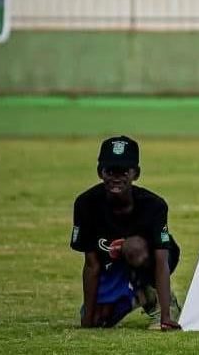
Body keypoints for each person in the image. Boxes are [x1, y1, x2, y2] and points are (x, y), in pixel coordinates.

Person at [70, 136, 181, 330]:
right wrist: (87, 320)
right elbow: (92, 264)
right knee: (98, 321)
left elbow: (161, 260)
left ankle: (160, 299)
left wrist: (166, 316)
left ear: (135, 173)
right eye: (110, 171)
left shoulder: (154, 205)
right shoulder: (85, 204)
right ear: (100, 172)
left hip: (148, 260)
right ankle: (141, 295)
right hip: (113, 265)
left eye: (123, 171)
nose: (116, 177)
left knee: (134, 247)